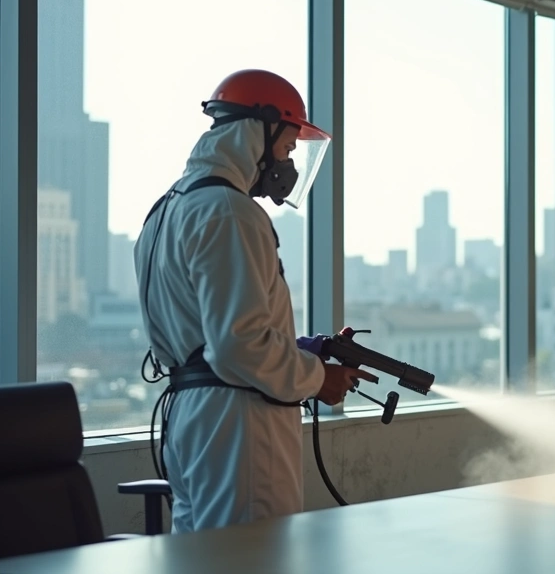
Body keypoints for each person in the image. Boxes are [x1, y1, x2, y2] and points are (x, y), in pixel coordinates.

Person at [134, 68, 375, 533]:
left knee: (204, 560)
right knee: (256, 558)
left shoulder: (166, 209)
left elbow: (210, 335)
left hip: (189, 419)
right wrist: (316, 378)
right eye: (286, 147)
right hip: (238, 425)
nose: (288, 163)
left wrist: (301, 348)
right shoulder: (230, 211)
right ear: (256, 132)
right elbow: (239, 348)